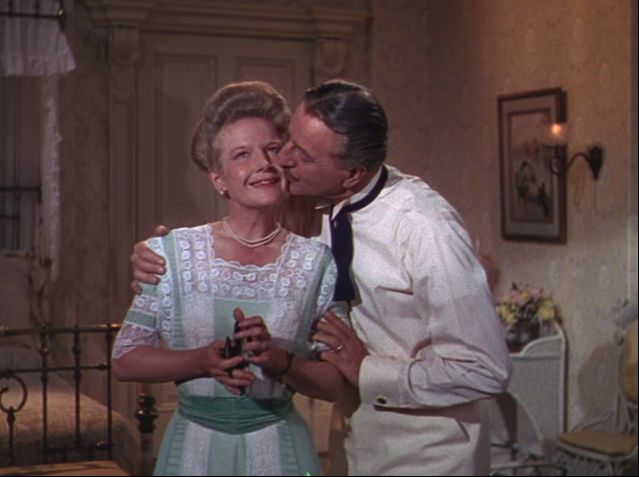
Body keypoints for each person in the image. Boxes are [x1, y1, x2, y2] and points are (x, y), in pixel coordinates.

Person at [131, 80, 512, 475]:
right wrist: (157, 260)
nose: (282, 160)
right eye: (287, 141)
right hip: (354, 442)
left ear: (352, 174)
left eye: (302, 155)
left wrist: (368, 371)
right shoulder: (310, 207)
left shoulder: (424, 228)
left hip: (429, 455)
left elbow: (486, 368)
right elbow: (239, 256)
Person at [112, 81, 348, 476]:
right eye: (242, 154)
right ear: (218, 178)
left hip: (280, 453)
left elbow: (334, 383)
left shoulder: (316, 262)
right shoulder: (170, 253)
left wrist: (281, 361)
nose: (263, 163)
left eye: (272, 149)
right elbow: (125, 359)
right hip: (194, 451)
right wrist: (200, 361)